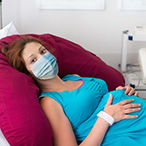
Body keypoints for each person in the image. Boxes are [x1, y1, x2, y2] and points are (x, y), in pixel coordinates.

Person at [1, 36, 146, 146]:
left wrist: (123, 93)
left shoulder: (73, 77)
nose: (43, 58)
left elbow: (103, 101)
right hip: (130, 136)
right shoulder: (49, 102)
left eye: (42, 51)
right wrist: (107, 118)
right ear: (27, 72)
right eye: (33, 60)